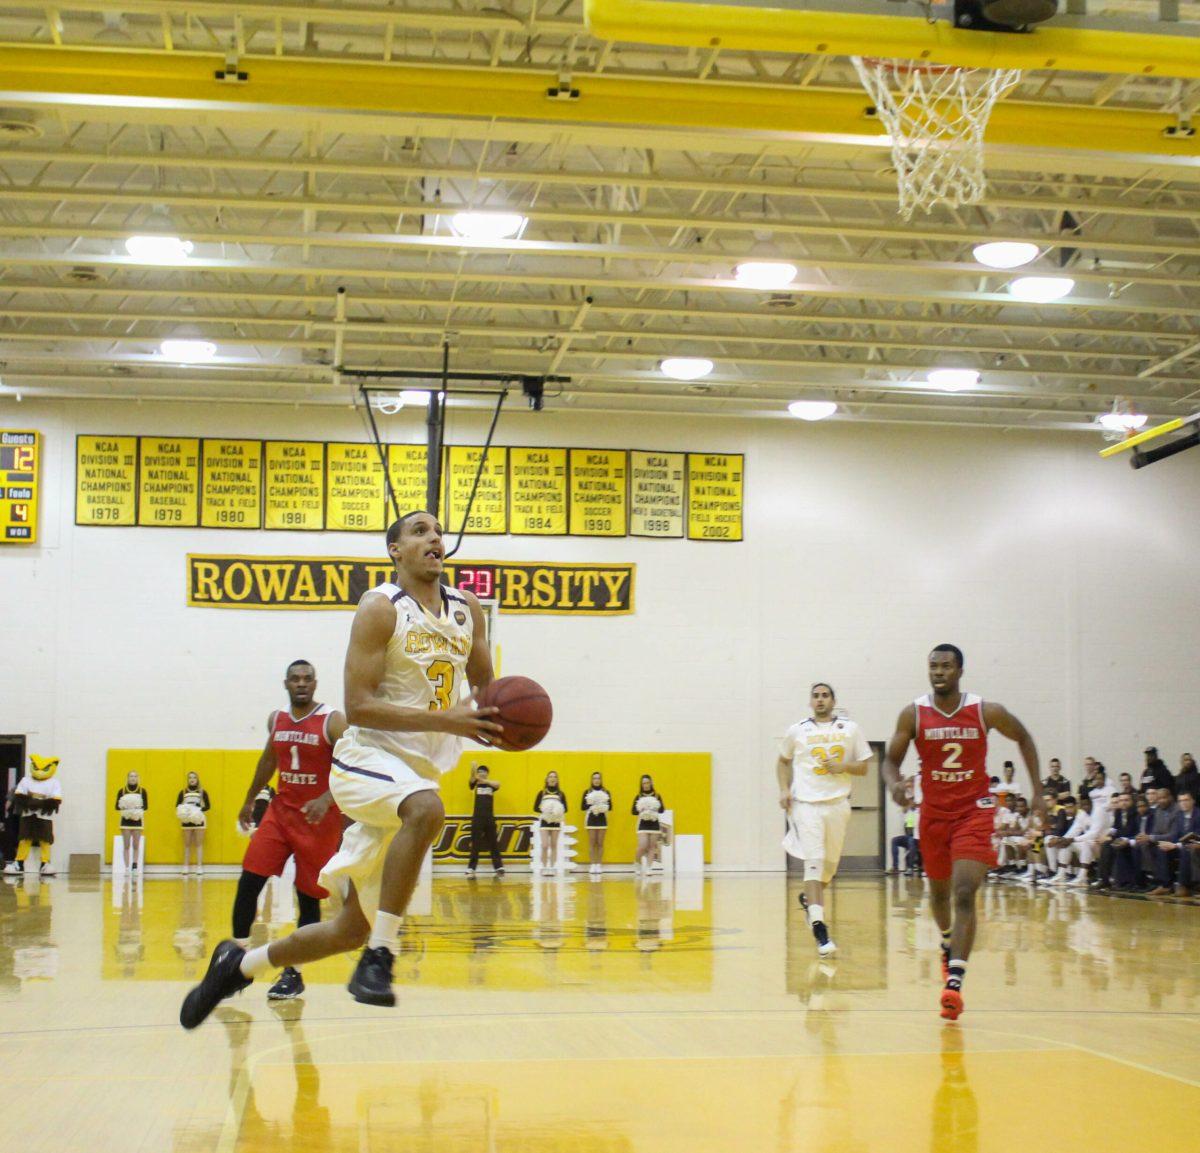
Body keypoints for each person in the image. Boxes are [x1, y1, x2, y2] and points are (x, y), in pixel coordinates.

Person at [180, 511, 502, 1028]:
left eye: (437, 531)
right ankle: (381, 957)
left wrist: (509, 721)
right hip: (367, 757)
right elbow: (360, 705)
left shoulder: (468, 611)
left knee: (346, 930)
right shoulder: (380, 609)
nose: (434, 537)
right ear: (394, 550)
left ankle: (237, 966)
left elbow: (488, 692)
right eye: (419, 531)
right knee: (428, 810)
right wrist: (450, 719)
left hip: (415, 775)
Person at [881, 644, 1042, 1021]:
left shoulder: (986, 711)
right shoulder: (914, 713)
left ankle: (954, 983)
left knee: (965, 890)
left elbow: (1024, 738)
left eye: (946, 666)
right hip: (934, 814)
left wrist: (1038, 792)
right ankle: (946, 942)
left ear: (960, 671)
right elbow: (890, 760)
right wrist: (893, 785)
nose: (939, 672)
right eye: (933, 666)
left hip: (974, 811)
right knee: (938, 896)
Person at [227, 660, 347, 1002]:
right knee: (249, 880)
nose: (302, 684)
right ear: (285, 683)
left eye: (308, 678)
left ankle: (293, 973)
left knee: (307, 898)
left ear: (316, 683)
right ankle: (238, 963)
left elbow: (354, 765)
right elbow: (269, 759)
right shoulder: (276, 719)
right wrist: (250, 799)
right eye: (295, 679)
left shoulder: (333, 721)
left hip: (317, 819)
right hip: (280, 813)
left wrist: (327, 798)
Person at [777, 682, 872, 956]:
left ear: (833, 700)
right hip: (806, 805)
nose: (820, 700)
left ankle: (810, 901)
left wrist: (843, 766)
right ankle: (820, 930)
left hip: (838, 805)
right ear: (810, 702)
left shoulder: (850, 729)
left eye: (825, 695)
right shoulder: (797, 730)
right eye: (815, 696)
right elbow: (782, 761)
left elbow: (864, 766)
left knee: (828, 869)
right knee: (814, 863)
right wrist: (785, 789)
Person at [4, 755, 62, 877]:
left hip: (44, 817)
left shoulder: (54, 782)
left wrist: (33, 801)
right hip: (28, 815)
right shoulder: (26, 780)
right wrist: (40, 801)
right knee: (24, 839)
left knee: (45, 840)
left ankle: (45, 863)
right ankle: (19, 862)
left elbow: (55, 800)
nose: (40, 772)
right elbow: (19, 796)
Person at [1150, 789, 1200, 896]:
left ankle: (1183, 885)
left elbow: (1196, 837)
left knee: (1186, 849)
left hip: (1196, 847)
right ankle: (1166, 885)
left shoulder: (1198, 814)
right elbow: (1175, 835)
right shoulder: (1179, 815)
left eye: (1186, 800)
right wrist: (1170, 844)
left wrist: (1176, 845)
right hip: (1182, 845)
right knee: (1162, 848)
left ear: (1193, 801)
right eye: (1181, 801)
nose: (1183, 803)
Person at [1038, 794, 1091, 887]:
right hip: (1081, 842)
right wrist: (1060, 839)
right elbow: (1071, 832)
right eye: (1066, 807)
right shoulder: (1044, 812)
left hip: (1093, 843)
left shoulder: (1065, 812)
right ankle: (1055, 873)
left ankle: (1080, 876)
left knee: (1048, 840)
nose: (1068, 810)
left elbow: (1060, 829)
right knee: (1045, 841)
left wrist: (1060, 839)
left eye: (1070, 807)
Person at [466, 763, 504, 877]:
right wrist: (473, 769)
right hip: (477, 817)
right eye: (480, 772)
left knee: (493, 842)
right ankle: (471, 868)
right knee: (475, 843)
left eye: (484, 772)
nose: (482, 773)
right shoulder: (475, 785)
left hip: (489, 818)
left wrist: (485, 781)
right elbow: (471, 779)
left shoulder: (490, 785)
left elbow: (498, 784)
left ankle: (499, 867)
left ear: (487, 774)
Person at [532, 771, 567, 876]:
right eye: (550, 777)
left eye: (554, 777)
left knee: (554, 845)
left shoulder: (561, 794)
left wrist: (557, 810)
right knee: (545, 845)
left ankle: (552, 867)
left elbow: (565, 809)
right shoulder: (542, 793)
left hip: (556, 822)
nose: (552, 778)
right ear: (547, 779)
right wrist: (546, 810)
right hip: (544, 821)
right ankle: (544, 866)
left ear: (557, 780)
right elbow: (535, 808)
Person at [176, 771, 211, 876]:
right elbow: (177, 805)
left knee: (199, 844)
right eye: (190, 778)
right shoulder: (182, 792)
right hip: (186, 821)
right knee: (187, 844)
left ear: (197, 779)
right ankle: (185, 866)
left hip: (198, 820)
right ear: (188, 780)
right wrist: (186, 811)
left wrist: (198, 810)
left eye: (194, 778)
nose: (192, 779)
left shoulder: (202, 792)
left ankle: (199, 866)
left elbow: (208, 806)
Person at [115, 771, 148, 872]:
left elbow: (146, 806)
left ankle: (134, 866)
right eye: (131, 776)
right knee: (126, 845)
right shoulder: (122, 791)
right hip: (125, 821)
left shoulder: (143, 791)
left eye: (135, 776)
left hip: (137, 821)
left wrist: (135, 809)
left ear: (138, 778)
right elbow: (116, 806)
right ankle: (126, 867)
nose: (133, 778)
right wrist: (126, 807)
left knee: (136, 845)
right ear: (127, 778)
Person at [632, 775, 665, 875]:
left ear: (651, 783)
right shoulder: (639, 796)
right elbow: (633, 811)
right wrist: (642, 809)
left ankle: (649, 867)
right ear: (641, 785)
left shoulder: (657, 796)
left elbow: (662, 809)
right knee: (642, 846)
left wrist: (654, 807)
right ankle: (637, 863)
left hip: (654, 824)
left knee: (651, 847)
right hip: (643, 824)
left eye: (647, 782)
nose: (646, 785)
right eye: (643, 783)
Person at [581, 771, 613, 875]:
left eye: (598, 778)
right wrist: (592, 805)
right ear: (591, 780)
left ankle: (599, 864)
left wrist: (602, 806)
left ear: (601, 780)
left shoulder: (606, 792)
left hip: (602, 819)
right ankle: (592, 864)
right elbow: (582, 807)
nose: (596, 780)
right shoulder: (587, 792)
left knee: (600, 843)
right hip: (591, 819)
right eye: (594, 778)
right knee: (592, 843)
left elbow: (610, 806)